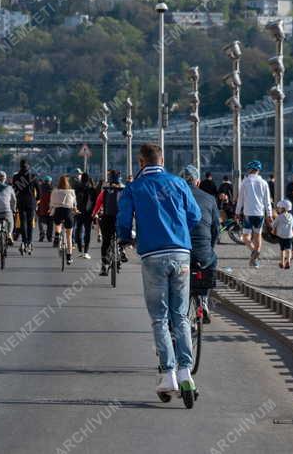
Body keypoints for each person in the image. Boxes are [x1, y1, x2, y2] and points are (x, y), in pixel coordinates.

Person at [117, 144, 200, 399]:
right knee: (181, 316)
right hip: (181, 253)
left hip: (153, 255)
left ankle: (169, 373)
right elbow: (194, 216)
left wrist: (126, 239)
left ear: (141, 162)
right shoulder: (178, 182)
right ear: (162, 159)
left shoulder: (134, 188)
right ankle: (187, 372)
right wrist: (178, 231)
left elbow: (122, 222)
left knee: (160, 318)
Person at [179, 164, 220, 282]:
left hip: (181, 253)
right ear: (198, 182)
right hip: (203, 253)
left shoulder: (174, 197)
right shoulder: (210, 199)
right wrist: (210, 247)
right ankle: (204, 297)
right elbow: (216, 228)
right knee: (212, 261)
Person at [235, 161, 272, 267]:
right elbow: (267, 201)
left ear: (250, 169)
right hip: (260, 214)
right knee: (258, 236)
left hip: (248, 213)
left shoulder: (245, 182)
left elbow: (240, 200)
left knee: (246, 237)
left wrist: (237, 212)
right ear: (258, 170)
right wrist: (269, 215)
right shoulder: (264, 183)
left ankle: (253, 251)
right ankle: (255, 259)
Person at [93, 170, 124, 276]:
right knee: (123, 237)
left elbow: (98, 203)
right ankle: (121, 251)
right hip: (120, 219)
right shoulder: (124, 190)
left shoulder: (105, 191)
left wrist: (94, 214)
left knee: (106, 242)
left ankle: (104, 266)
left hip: (107, 218)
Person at [12, 159, 39, 254]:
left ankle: (24, 241)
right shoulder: (33, 177)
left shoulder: (15, 177)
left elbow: (14, 190)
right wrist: (37, 201)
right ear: (28, 167)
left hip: (20, 202)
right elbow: (39, 191)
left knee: (23, 222)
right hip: (31, 202)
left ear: (20, 166)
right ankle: (30, 242)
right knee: (30, 222)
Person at [49, 175, 78, 264]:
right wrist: (75, 210)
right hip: (68, 212)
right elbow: (74, 204)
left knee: (58, 224)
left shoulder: (54, 191)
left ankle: (57, 235)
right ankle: (69, 258)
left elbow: (52, 203)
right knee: (69, 236)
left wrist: (50, 209)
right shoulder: (71, 192)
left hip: (58, 211)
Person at [73, 173, 97, 259]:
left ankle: (80, 250)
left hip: (78, 212)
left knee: (78, 230)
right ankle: (86, 252)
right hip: (88, 213)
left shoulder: (76, 188)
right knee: (87, 232)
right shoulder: (91, 189)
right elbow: (94, 202)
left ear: (81, 179)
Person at [273, 199, 293, 269]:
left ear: (283, 208)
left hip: (281, 236)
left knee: (282, 249)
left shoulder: (279, 217)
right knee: (289, 249)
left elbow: (273, 225)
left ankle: (282, 262)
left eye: (279, 208)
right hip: (289, 235)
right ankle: (288, 261)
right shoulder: (291, 216)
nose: (278, 209)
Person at [36, 175, 53, 243]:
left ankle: (42, 233)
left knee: (40, 221)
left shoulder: (40, 188)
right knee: (50, 223)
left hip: (41, 207)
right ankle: (49, 236)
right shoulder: (52, 188)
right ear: (50, 182)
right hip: (50, 208)